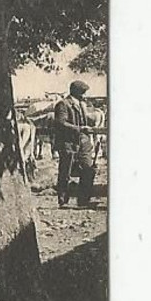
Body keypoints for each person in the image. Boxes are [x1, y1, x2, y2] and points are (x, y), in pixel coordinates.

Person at [53, 80, 97, 208]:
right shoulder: (63, 104)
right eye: (83, 93)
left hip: (83, 142)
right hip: (68, 142)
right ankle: (63, 200)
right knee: (65, 171)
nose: (85, 96)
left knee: (88, 169)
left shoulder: (82, 104)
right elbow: (60, 123)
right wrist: (79, 128)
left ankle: (83, 200)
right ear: (76, 92)